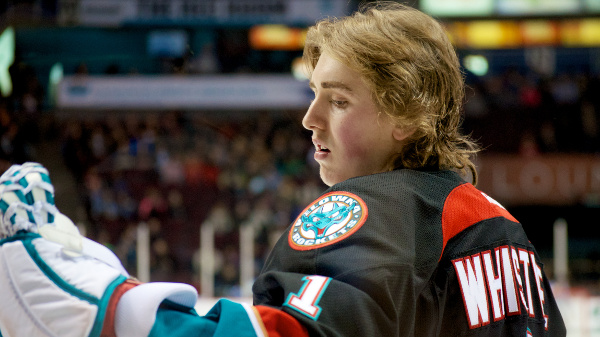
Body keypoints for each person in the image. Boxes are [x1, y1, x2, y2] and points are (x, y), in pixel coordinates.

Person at [0, 2, 565, 337]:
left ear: (406, 117)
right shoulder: (498, 228)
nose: (309, 118)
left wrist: (109, 308)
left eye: (338, 101)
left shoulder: (377, 209)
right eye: (314, 94)